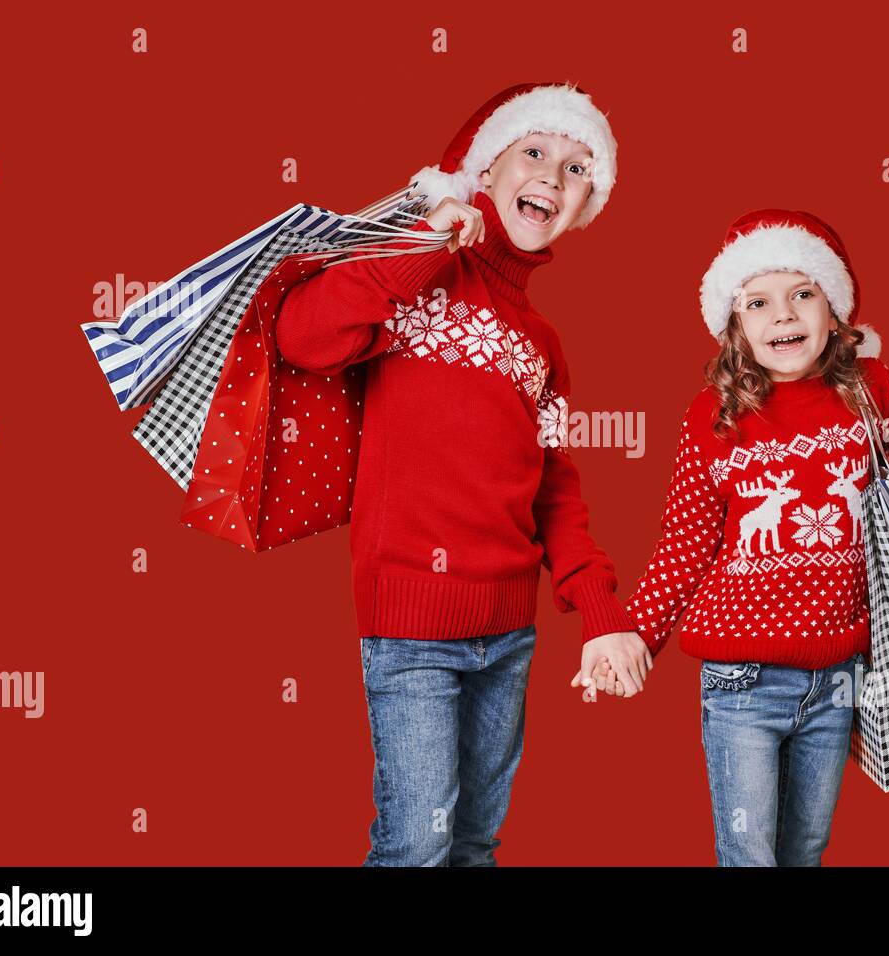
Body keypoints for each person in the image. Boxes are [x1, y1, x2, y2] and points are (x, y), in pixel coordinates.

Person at [274, 82, 650, 866]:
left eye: (579, 168)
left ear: (586, 208)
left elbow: (554, 485)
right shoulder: (418, 278)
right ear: (486, 166)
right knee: (417, 845)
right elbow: (302, 336)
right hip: (412, 625)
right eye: (536, 152)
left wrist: (601, 612)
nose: (554, 174)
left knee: (474, 844)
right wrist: (420, 243)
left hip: (509, 633)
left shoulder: (542, 343)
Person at [595, 208, 889, 865]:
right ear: (735, 327)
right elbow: (685, 540)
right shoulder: (712, 417)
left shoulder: (870, 391)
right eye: (759, 302)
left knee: (804, 848)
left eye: (802, 294)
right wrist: (638, 633)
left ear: (832, 313)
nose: (784, 315)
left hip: (837, 673)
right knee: (749, 851)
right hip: (742, 681)